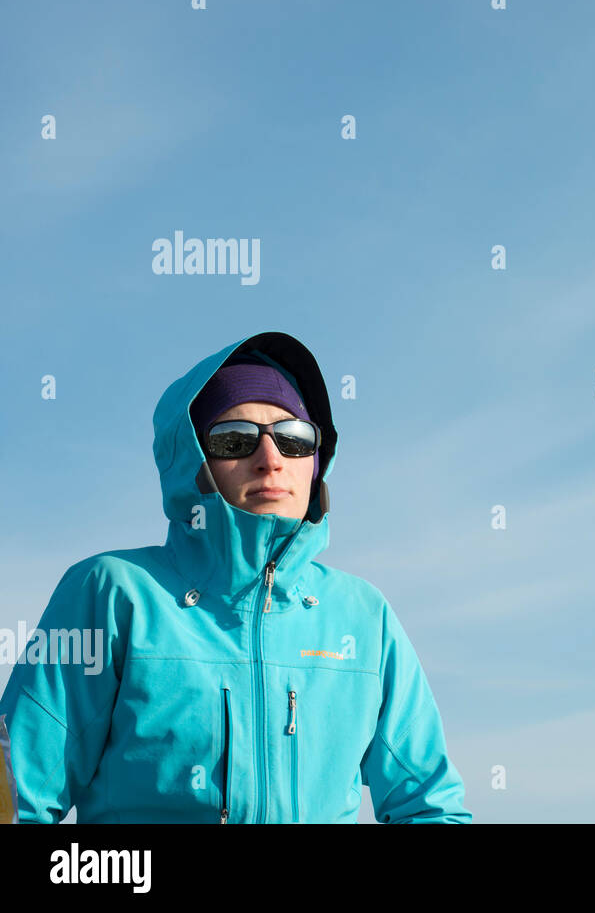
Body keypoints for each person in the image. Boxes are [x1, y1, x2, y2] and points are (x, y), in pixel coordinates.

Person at [0, 331, 471, 823]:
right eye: (235, 439)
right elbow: (16, 800)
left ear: (315, 462)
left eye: (293, 438)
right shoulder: (112, 594)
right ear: (194, 465)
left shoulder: (362, 615)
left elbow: (430, 806)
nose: (270, 459)